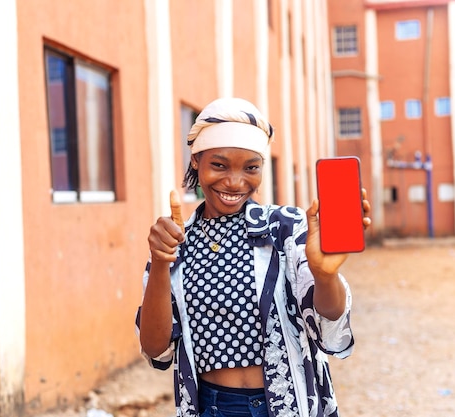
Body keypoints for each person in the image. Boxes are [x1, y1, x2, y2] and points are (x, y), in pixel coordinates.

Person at [136, 97, 372, 417]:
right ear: (196, 161)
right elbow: (155, 349)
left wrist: (324, 275)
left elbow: (328, 325)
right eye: (219, 165)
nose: (235, 182)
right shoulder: (174, 240)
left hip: (288, 406)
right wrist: (162, 264)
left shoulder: (285, 229)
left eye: (251, 168)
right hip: (215, 408)